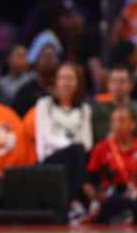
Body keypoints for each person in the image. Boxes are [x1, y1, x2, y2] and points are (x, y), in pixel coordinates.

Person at [24, 62, 92, 218]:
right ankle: (78, 199)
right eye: (62, 78)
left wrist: (75, 148)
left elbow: (87, 141)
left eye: (70, 78)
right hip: (49, 159)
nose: (65, 83)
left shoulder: (84, 109)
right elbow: (47, 138)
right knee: (76, 150)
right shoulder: (44, 105)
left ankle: (75, 203)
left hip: (76, 158)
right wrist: (72, 145)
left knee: (79, 151)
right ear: (55, 81)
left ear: (78, 82)